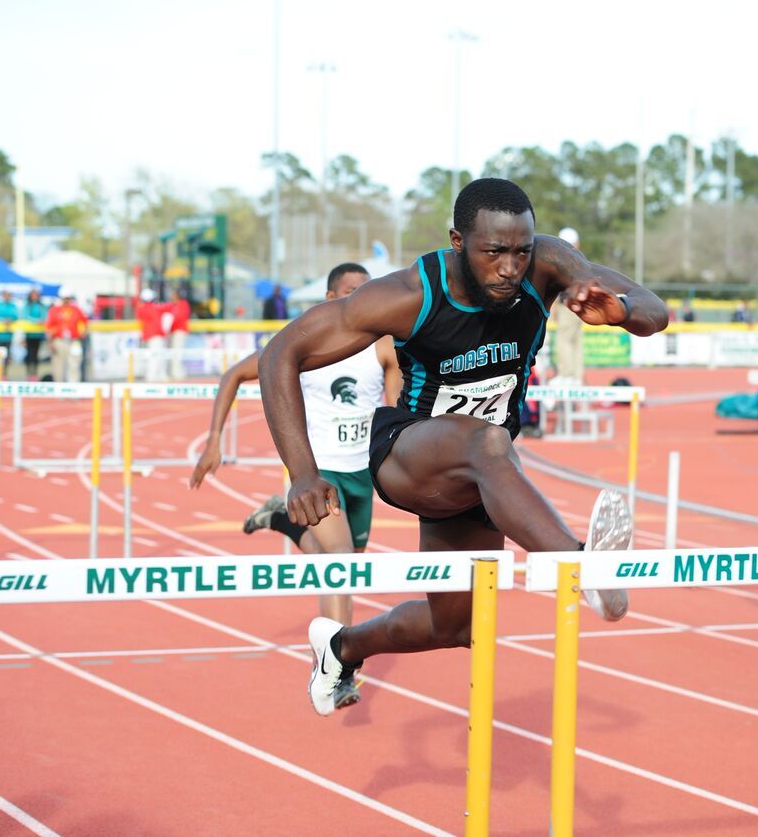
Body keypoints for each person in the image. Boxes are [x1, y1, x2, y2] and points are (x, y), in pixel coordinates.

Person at [259, 178, 669, 715]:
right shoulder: (410, 293)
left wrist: (621, 313)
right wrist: (302, 473)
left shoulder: (550, 264)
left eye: (521, 252)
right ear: (458, 241)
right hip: (407, 452)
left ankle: (341, 647)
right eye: (493, 252)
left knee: (456, 625)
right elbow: (279, 355)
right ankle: (579, 566)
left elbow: (652, 308)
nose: (509, 268)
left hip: (478, 475)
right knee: (489, 441)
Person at [191, 263, 402, 708]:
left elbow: (400, 406)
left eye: (367, 291)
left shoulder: (383, 347)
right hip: (316, 471)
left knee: (343, 568)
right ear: (330, 298)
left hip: (361, 473)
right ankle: (338, 671)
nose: (361, 298)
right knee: (341, 563)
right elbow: (234, 375)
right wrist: (214, 442)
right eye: (350, 291)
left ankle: (287, 525)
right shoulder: (303, 342)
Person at [551, 227, 587, 385]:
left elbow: (557, 284)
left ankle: (567, 375)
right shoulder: (580, 259)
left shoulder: (564, 259)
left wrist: (555, 306)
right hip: (580, 304)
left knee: (564, 339)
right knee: (576, 341)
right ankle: (576, 376)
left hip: (569, 304)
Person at [45, 288, 87, 382]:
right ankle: (59, 390)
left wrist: (83, 332)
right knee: (58, 366)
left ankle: (73, 389)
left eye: (68, 298)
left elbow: (84, 322)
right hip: (59, 340)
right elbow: (49, 327)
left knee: (74, 365)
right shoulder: (54, 310)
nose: (66, 300)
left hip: (74, 341)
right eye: (64, 298)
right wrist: (50, 342)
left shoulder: (76, 310)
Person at [135, 288, 168, 381]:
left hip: (150, 335)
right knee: (155, 357)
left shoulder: (142, 309)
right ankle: (152, 376)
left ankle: (157, 375)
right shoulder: (153, 308)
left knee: (156, 356)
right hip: (156, 335)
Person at [0, 290, 18, 374]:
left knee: (6, 356)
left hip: (8, 335)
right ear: (3, 296)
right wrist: (4, 320)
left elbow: (15, 316)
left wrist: (10, 319)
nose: (7, 297)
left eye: (9, 295)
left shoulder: (13, 306)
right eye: (6, 295)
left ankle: (4, 374)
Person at [22, 289, 47, 380]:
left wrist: (41, 321)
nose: (35, 296)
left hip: (38, 334)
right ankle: (29, 373)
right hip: (29, 334)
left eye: (36, 295)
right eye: (33, 295)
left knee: (36, 355)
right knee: (29, 354)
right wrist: (36, 321)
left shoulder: (41, 306)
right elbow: (25, 316)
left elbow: (45, 316)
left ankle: (34, 373)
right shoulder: (28, 306)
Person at [167, 288, 191, 379]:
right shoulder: (175, 305)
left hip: (179, 332)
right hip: (174, 332)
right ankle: (174, 372)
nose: (172, 297)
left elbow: (177, 318)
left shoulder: (183, 304)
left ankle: (178, 373)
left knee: (177, 353)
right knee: (173, 353)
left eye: (174, 295)